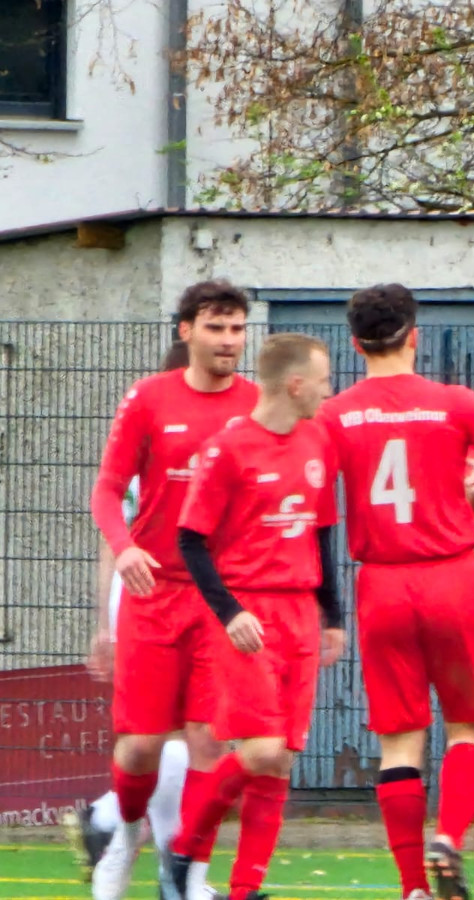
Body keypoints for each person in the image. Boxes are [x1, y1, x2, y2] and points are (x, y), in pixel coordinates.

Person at [316, 284, 474, 900]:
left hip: (381, 585)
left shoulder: (336, 414)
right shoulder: (453, 403)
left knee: (400, 739)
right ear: (415, 335)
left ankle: (411, 888)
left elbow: (311, 494)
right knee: (471, 725)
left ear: (355, 344)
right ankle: (449, 836)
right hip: (452, 575)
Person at [90, 286, 259, 900]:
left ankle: (188, 875)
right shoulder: (149, 397)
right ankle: (127, 833)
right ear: (186, 330)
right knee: (139, 747)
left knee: (210, 739)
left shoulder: (257, 404)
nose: (229, 341)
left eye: (238, 329)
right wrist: (126, 544)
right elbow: (107, 491)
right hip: (154, 591)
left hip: (221, 597)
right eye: (216, 327)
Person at [168, 333, 346, 900]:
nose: (329, 390)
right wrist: (229, 612)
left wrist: (333, 615)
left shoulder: (318, 439)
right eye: (323, 379)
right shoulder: (230, 447)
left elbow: (321, 533)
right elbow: (191, 541)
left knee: (281, 763)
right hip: (249, 613)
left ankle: (245, 891)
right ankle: (184, 850)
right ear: (296, 385)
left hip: (299, 611)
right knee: (261, 750)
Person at [69, 341, 196, 892]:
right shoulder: (151, 435)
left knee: (184, 738)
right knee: (167, 737)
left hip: (190, 594)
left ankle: (108, 821)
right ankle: (165, 862)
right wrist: (105, 623)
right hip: (148, 593)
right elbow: (111, 536)